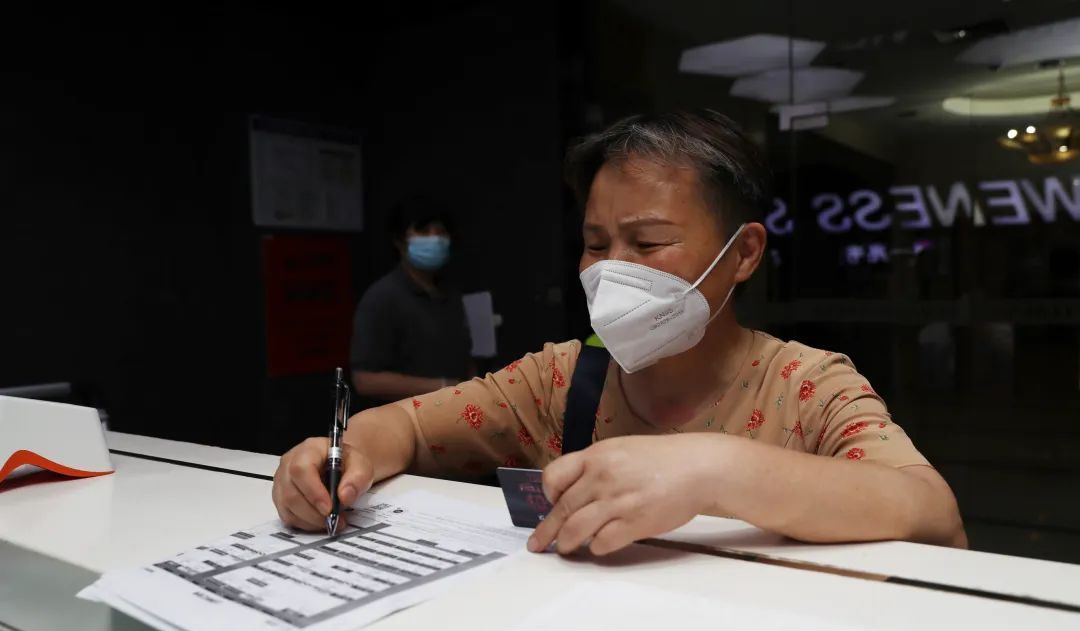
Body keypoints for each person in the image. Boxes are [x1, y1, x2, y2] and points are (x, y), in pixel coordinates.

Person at [275, 110, 967, 555]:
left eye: (649, 243)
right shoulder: (558, 379)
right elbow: (407, 427)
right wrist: (341, 457)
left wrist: (713, 471)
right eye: (596, 243)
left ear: (744, 254)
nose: (613, 270)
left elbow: (933, 513)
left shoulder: (807, 385)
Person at [349, 197, 475, 403]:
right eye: (424, 232)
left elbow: (465, 358)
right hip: (407, 417)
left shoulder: (451, 294)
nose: (435, 239)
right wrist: (444, 387)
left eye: (441, 232)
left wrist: (473, 392)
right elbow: (365, 380)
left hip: (455, 414)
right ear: (399, 241)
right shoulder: (382, 297)